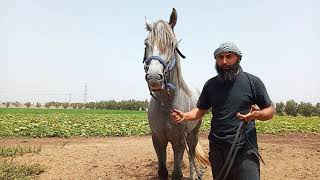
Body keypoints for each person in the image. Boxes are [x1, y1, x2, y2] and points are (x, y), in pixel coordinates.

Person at [171, 42, 275, 180]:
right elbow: (200, 110)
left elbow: (270, 111)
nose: (224, 61)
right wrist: (185, 115)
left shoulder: (252, 82)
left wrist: (257, 115)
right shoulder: (210, 85)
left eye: (228, 57)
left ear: (237, 58)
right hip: (217, 149)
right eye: (220, 57)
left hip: (245, 148)